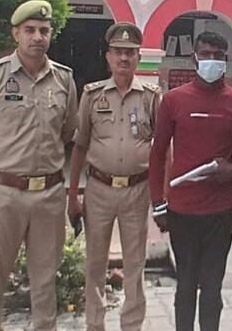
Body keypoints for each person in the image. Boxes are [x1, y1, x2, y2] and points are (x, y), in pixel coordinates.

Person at [0, 0, 78, 331]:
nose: (37, 37)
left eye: (44, 30)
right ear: (16, 34)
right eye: (30, 30)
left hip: (49, 195)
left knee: (45, 281)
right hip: (3, 195)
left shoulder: (64, 80)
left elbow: (68, 130)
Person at [149, 31, 232, 331]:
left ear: (225, 60)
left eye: (218, 55)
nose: (211, 60)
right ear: (194, 58)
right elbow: (157, 153)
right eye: (206, 54)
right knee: (185, 285)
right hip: (181, 211)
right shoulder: (174, 100)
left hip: (219, 212)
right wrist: (158, 204)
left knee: (212, 289)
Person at [67, 22, 161, 331]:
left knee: (135, 263)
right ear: (108, 57)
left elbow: (163, 149)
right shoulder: (93, 95)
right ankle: (94, 324)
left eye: (130, 53)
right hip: (99, 190)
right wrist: (73, 195)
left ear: (138, 58)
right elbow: (80, 147)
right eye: (118, 52)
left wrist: (162, 196)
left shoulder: (151, 97)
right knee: (95, 262)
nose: (124, 58)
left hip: (137, 190)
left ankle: (131, 325)